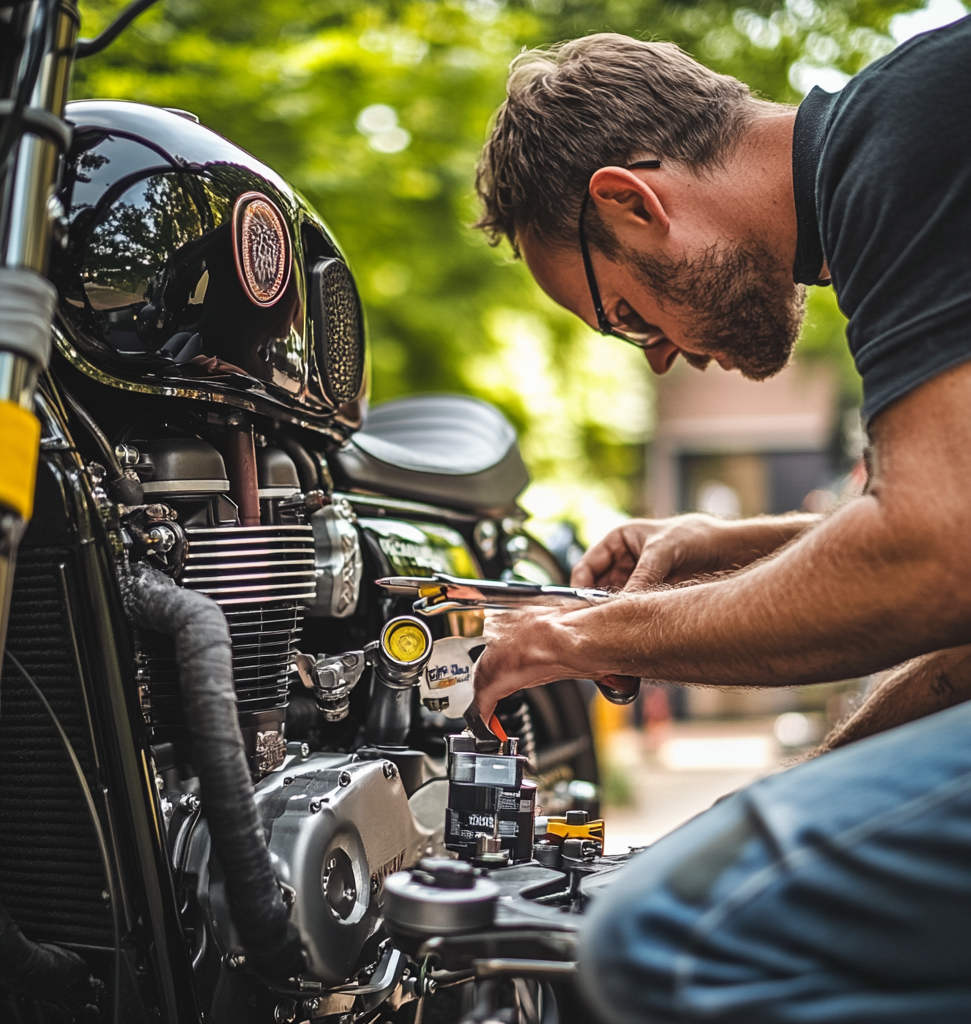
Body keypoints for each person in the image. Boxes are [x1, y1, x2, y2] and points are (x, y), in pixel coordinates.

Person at [471, 18, 971, 1023]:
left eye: (621, 316)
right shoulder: (905, 148)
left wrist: (576, 631)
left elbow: (936, 557)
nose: (653, 355)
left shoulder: (904, 141)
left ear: (631, 200)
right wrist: (726, 551)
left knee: (660, 935)